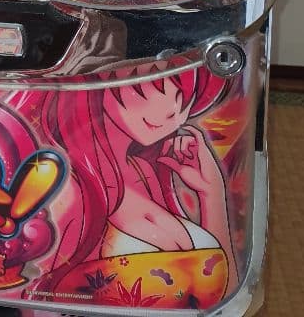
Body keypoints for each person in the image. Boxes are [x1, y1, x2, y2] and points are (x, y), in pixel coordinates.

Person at [39, 64, 236, 309]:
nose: (173, 109)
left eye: (181, 95)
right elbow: (41, 297)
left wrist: (211, 192)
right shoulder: (74, 190)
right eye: (149, 87)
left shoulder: (144, 171)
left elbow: (224, 293)